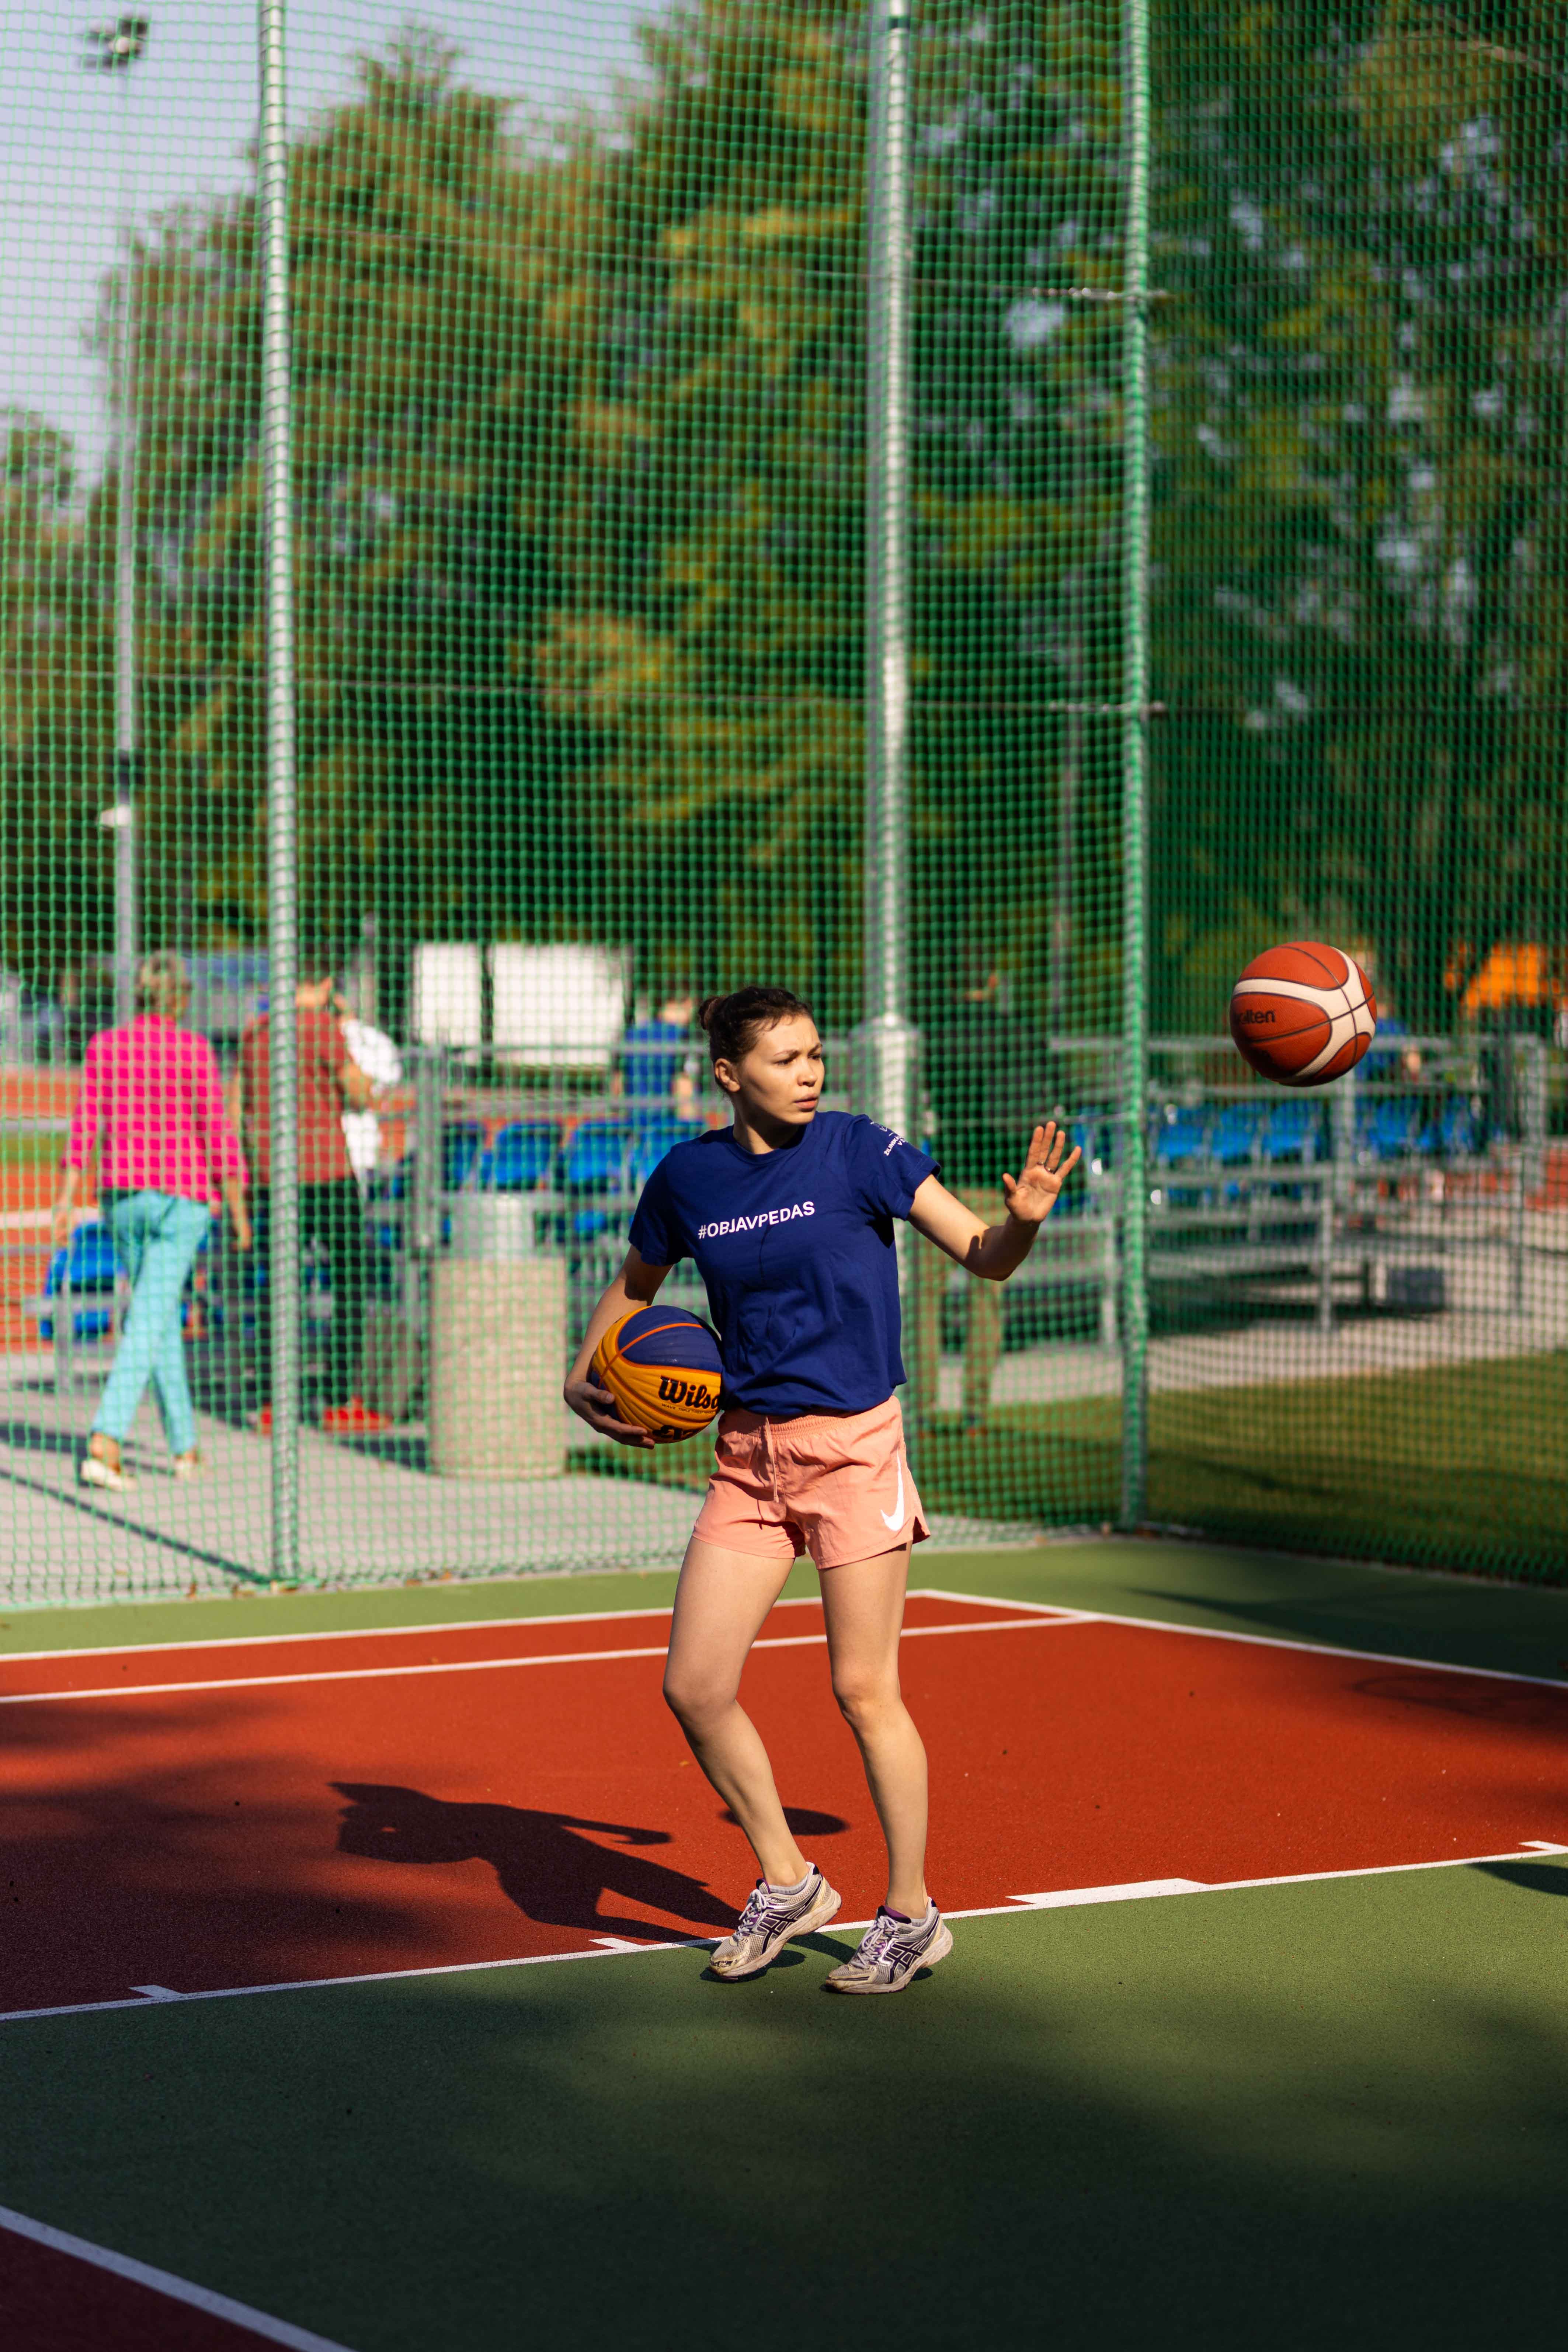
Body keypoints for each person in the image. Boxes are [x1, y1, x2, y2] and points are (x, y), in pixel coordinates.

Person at [563, 984, 1079, 1993]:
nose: (808, 1074)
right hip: (747, 1458)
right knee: (694, 1686)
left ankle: (910, 1914)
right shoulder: (687, 1177)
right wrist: (580, 1376)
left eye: (813, 1056)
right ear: (728, 1074)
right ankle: (788, 1881)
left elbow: (983, 1256)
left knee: (862, 1688)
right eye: (784, 1059)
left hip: (853, 1451)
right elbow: (635, 1284)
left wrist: (1020, 1223)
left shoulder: (859, 1149)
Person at [51, 951, 250, 1492]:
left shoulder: (106, 1047)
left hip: (122, 1196)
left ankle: (184, 1445)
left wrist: (66, 1199)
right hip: (180, 1200)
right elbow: (217, 1134)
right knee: (150, 1317)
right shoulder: (194, 1051)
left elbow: (85, 1124)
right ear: (181, 998)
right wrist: (238, 1211)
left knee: (154, 1314)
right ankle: (107, 1439)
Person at [238, 954, 387, 1437]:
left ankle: (271, 1400)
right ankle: (339, 1397)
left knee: (277, 1287)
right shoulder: (323, 1029)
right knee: (348, 1282)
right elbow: (359, 1092)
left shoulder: (256, 1033)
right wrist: (348, 1031)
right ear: (324, 984)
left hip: (272, 1176)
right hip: (326, 1173)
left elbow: (240, 1106)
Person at [914, 963, 1056, 1429]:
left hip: (943, 1185)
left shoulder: (937, 1037)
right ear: (993, 979)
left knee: (925, 1298)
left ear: (953, 982)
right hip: (997, 1183)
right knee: (987, 1298)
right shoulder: (1017, 1034)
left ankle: (923, 1406)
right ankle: (975, 1407)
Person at [618, 993, 698, 1120]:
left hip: (634, 1120)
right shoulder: (682, 1037)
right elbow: (684, 1086)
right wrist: (690, 1124)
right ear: (683, 1005)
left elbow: (618, 1083)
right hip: (666, 1123)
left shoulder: (631, 1035)